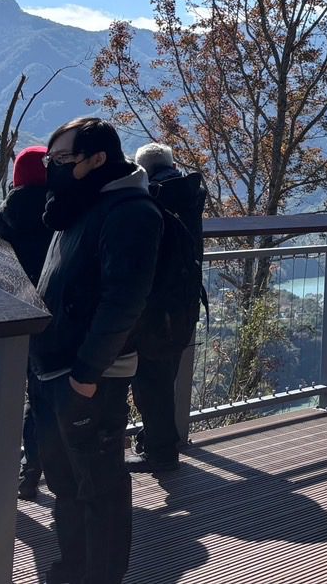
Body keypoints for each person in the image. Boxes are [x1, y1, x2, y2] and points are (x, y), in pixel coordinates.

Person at [29, 117, 162, 584]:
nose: (54, 170)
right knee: (65, 482)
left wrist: (85, 374)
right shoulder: (81, 204)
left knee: (99, 487)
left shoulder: (131, 212)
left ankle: (101, 576)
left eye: (62, 160)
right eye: (51, 161)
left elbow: (123, 301)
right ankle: (72, 568)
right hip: (55, 370)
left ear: (98, 159)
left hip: (91, 376)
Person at [128, 142, 208, 474]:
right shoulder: (189, 195)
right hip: (185, 302)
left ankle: (161, 451)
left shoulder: (152, 199)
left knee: (149, 379)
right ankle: (156, 440)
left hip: (154, 306)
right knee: (165, 374)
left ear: (142, 169)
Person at [0, 144, 53, 501]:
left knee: (31, 391)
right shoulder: (64, 213)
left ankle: (29, 472)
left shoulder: (4, 221)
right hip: (65, 313)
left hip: (21, 318)